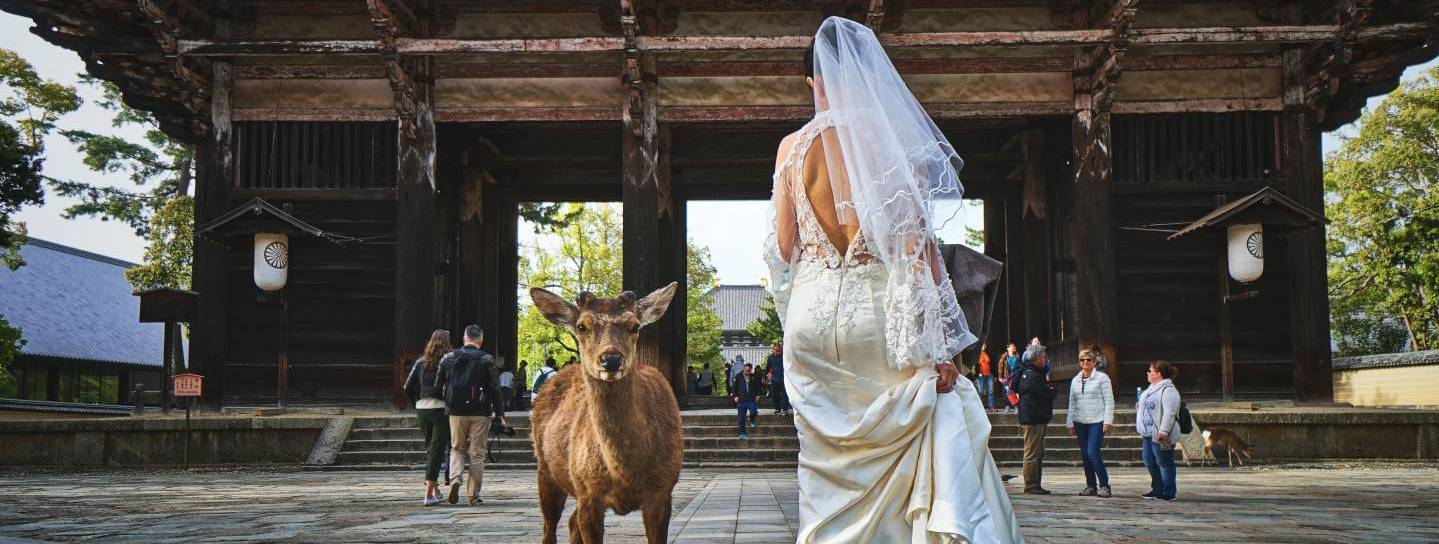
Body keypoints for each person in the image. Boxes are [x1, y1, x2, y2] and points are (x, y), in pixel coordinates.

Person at [762, 17, 1022, 542]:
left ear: (814, 81)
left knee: (824, 463)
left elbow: (785, 247)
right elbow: (914, 250)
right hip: (876, 318)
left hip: (811, 324)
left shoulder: (791, 148)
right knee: (921, 420)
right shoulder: (891, 143)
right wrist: (939, 350)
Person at [435, 325, 507, 506]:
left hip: (455, 412)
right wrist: (500, 414)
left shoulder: (448, 358)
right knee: (477, 454)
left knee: (456, 448)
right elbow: (495, 389)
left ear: (464, 338)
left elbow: (437, 385)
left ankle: (455, 479)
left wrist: (447, 402)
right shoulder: (486, 359)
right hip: (480, 413)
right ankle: (473, 496)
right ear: (480, 340)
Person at [403, 329, 452, 506]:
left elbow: (407, 387)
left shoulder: (420, 362)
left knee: (431, 450)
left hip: (422, 409)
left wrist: (416, 402)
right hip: (440, 409)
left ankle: (435, 489)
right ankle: (428, 494)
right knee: (437, 452)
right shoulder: (447, 362)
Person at [1066, 349, 1114, 498]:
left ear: (1094, 362)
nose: (1085, 362)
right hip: (1080, 421)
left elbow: (1109, 401)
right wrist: (1069, 422)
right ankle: (1091, 485)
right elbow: (1072, 402)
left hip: (1097, 420)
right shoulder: (1075, 380)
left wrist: (1108, 421)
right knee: (1085, 455)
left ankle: (1105, 485)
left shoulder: (1102, 378)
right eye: (1082, 360)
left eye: (1088, 360)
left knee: (1093, 452)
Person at [1138, 360, 1181, 501]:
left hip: (1164, 434)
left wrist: (1163, 432)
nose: (1148, 373)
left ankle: (1169, 491)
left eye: (1150, 371)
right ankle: (1157, 488)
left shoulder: (1168, 390)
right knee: (1149, 460)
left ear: (1159, 374)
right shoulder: (1150, 388)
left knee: (1165, 461)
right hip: (1148, 433)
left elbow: (1170, 413)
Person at [1016, 344, 1056, 495]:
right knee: (1032, 453)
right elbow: (1047, 393)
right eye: (1044, 356)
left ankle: (1035, 484)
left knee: (1037, 452)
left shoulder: (1033, 373)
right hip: (1032, 418)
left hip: (1036, 416)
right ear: (1037, 358)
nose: (1045, 359)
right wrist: (1052, 390)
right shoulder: (1031, 375)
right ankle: (1031, 485)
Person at [732, 363, 759, 440]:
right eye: (747, 371)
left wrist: (758, 395)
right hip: (741, 400)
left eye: (750, 371)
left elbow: (757, 387)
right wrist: (735, 396)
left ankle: (752, 419)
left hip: (751, 399)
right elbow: (734, 388)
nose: (748, 373)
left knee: (753, 411)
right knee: (741, 418)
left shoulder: (753, 377)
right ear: (744, 369)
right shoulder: (738, 376)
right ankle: (742, 433)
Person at [767, 342, 790, 415]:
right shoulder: (770, 358)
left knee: (784, 395)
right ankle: (777, 408)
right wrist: (764, 376)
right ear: (773, 350)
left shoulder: (785, 357)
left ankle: (785, 409)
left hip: (784, 379)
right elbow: (768, 367)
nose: (777, 352)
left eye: (779, 351)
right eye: (776, 350)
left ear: (781, 350)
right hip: (774, 379)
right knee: (774, 395)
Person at [999, 343, 1022, 413]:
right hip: (1006, 376)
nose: (1013, 348)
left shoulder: (1017, 356)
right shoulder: (1004, 357)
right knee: (1006, 391)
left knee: (1015, 390)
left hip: (1016, 376)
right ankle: (1007, 406)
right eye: (1012, 347)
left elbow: (1021, 366)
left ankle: (1016, 406)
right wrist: (1000, 376)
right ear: (1008, 348)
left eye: (1014, 346)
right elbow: (1000, 367)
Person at [976, 343, 994, 411]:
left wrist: (994, 375)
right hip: (980, 375)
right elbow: (975, 366)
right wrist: (977, 373)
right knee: (980, 391)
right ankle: (980, 407)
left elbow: (993, 364)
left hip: (989, 374)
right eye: (982, 344)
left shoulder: (989, 354)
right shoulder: (977, 355)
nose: (983, 346)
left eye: (984, 345)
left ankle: (991, 406)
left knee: (991, 391)